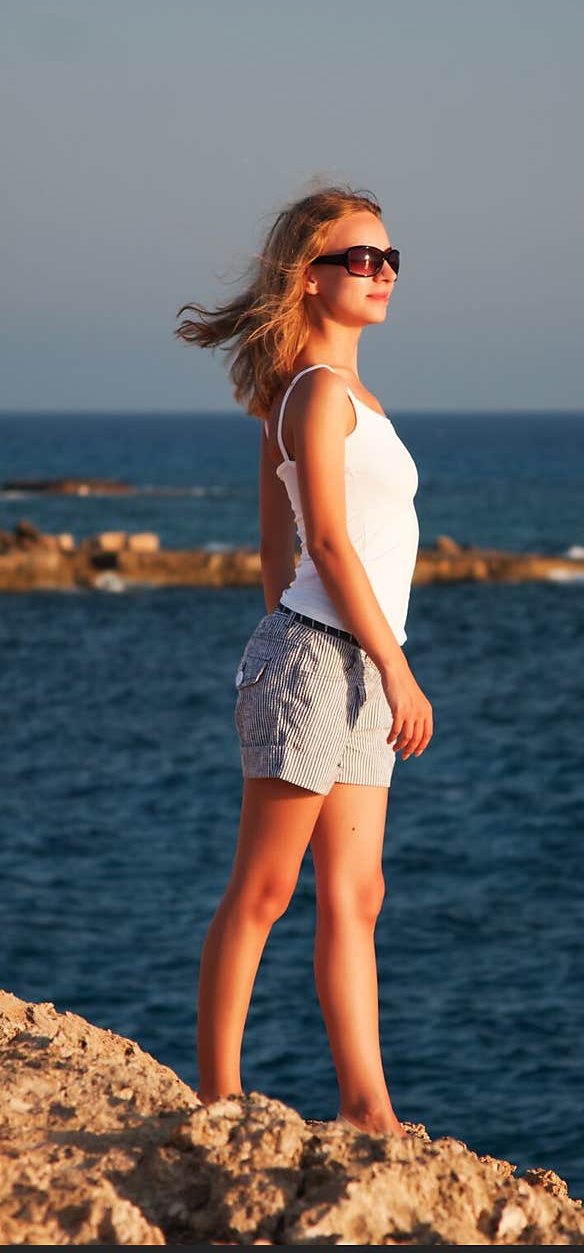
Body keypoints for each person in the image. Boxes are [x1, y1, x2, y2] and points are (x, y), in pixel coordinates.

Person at [174, 182, 433, 1137]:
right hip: (328, 658)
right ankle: (217, 1099)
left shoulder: (338, 394)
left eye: (389, 258)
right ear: (309, 278)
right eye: (358, 259)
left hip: (358, 662)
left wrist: (375, 663)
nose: (381, 273)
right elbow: (323, 544)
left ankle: (368, 1108)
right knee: (269, 886)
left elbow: (276, 544)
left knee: (358, 894)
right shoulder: (316, 395)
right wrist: (369, 663)